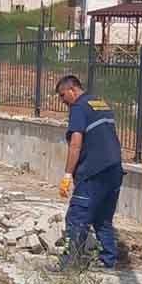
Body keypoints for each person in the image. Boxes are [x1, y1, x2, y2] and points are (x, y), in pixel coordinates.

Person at [55, 75, 124, 270]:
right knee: (102, 218)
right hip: (114, 169)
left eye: (62, 95)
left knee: (76, 216)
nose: (62, 101)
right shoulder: (100, 103)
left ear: (72, 90)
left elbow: (76, 144)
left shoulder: (78, 107)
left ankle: (70, 263)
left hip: (93, 172)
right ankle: (108, 260)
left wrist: (68, 175)